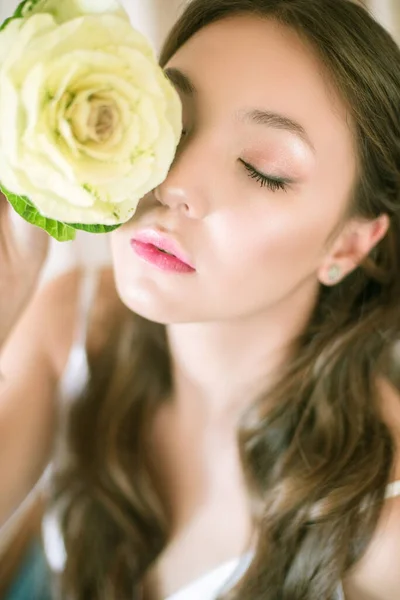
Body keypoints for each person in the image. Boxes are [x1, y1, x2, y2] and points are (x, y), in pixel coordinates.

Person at [0, 0, 400, 599]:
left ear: (348, 244)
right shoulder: (74, 323)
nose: (174, 182)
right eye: (174, 124)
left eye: (262, 169)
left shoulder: (382, 530)